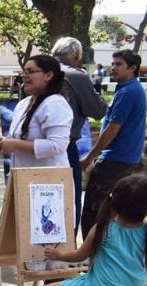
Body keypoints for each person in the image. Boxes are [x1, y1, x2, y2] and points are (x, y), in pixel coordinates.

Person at [41, 173, 147, 286]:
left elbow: (79, 255)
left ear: (115, 201)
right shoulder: (144, 231)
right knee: (119, 285)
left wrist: (58, 255)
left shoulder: (103, 228)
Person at [80, 49, 146, 239]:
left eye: (119, 64)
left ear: (132, 68)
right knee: (110, 209)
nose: (113, 67)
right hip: (124, 158)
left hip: (115, 158)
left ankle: (90, 253)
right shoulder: (130, 88)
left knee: (94, 209)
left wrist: (89, 158)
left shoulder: (128, 92)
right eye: (113, 63)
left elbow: (112, 129)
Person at [51, 37, 108, 231]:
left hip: (35, 145)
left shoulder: (40, 70)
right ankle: (67, 247)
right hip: (65, 146)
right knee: (69, 198)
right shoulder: (76, 75)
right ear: (75, 56)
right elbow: (98, 110)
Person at [0, 55, 72, 169]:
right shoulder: (23, 104)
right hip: (24, 179)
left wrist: (16, 144)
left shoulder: (55, 104)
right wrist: (4, 141)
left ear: (48, 75)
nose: (25, 76)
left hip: (48, 182)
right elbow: (17, 138)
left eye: (30, 72)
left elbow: (57, 146)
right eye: (24, 72)